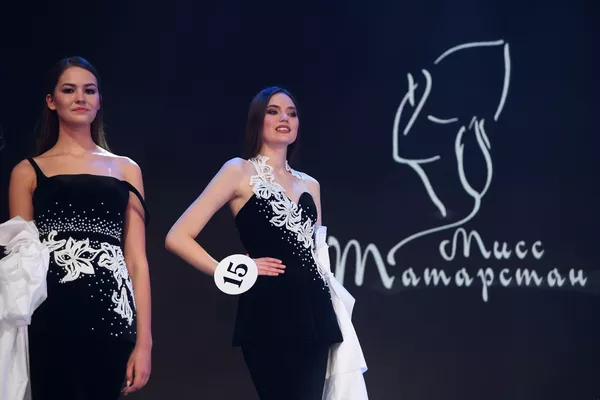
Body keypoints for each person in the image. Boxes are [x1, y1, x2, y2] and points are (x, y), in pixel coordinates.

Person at [165, 86, 345, 399]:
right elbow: (177, 236)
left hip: (314, 311)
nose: (284, 118)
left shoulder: (310, 184)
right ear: (257, 120)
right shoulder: (238, 171)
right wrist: (230, 269)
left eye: (291, 113)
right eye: (273, 111)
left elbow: (317, 251)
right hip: (269, 309)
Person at [8, 56, 152, 399]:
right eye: (69, 90)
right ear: (51, 100)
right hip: (49, 315)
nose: (80, 98)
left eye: (89, 90)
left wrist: (145, 341)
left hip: (111, 317)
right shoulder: (27, 172)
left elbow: (136, 260)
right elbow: (18, 263)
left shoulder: (126, 170)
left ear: (99, 100)